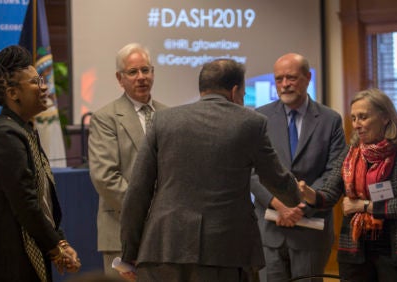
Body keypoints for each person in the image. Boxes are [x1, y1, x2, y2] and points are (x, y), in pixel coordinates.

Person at [120, 58, 303, 282]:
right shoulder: (251, 123)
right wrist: (296, 196)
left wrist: (129, 254)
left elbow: (137, 192)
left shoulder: (162, 120)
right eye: (243, 95)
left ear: (203, 88)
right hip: (224, 255)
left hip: (162, 250)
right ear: (235, 91)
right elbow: (277, 181)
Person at [299, 88, 397, 282]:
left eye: (363, 117)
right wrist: (309, 194)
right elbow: (329, 193)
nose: (357, 125)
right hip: (355, 249)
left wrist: (363, 206)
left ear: (385, 117)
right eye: (353, 118)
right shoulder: (349, 154)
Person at [0, 45, 81, 281]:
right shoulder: (4, 135)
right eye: (35, 82)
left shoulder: (24, 130)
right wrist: (56, 248)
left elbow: (42, 201)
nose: (44, 87)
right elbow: (26, 202)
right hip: (10, 261)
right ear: (13, 93)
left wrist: (58, 240)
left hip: (30, 250)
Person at [250, 53, 346, 281]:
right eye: (279, 79)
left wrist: (301, 205)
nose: (284, 84)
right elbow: (252, 170)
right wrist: (279, 205)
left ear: (308, 77)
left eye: (291, 77)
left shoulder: (330, 120)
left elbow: (334, 171)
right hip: (269, 228)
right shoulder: (259, 117)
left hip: (310, 231)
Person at [88, 42, 167, 276]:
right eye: (133, 72)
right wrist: (148, 210)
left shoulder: (170, 115)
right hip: (122, 233)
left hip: (165, 234)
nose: (141, 77)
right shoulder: (105, 118)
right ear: (119, 78)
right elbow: (105, 178)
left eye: (146, 70)